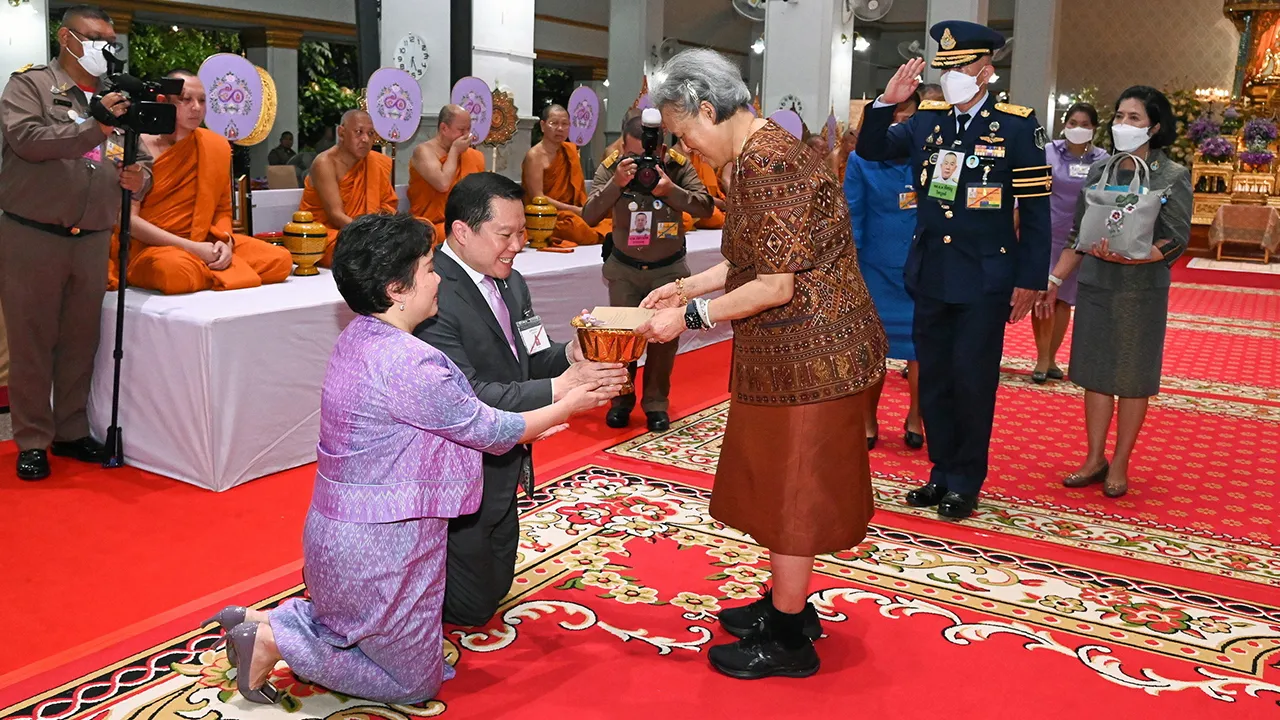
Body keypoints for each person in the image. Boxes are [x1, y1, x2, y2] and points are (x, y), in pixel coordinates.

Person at [200, 214, 616, 705]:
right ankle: (274, 639)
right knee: (415, 684)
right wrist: (570, 404)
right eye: (428, 268)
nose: (439, 277)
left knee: (386, 643)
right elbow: (490, 429)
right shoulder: (408, 362)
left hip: (345, 538)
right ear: (397, 289)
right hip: (382, 548)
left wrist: (560, 394)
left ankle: (262, 620)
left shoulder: (359, 337)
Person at [638, 48, 886, 680]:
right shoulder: (752, 157)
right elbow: (747, 263)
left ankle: (788, 639)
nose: (688, 147)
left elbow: (775, 285)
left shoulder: (771, 163)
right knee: (777, 482)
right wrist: (685, 288)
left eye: (685, 130)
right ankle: (788, 606)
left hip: (815, 353)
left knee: (794, 490)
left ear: (705, 107)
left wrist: (688, 321)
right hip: (785, 350)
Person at [855, 20, 1051, 520]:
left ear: (986, 70)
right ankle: (941, 473)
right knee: (936, 377)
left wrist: (1031, 279)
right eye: (942, 69)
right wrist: (883, 102)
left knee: (971, 378)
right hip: (931, 272)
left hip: (985, 277)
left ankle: (966, 479)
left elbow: (1035, 212)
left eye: (959, 67)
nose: (949, 78)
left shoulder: (1015, 125)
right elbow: (871, 149)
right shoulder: (928, 120)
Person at [416, 172, 629, 625]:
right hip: (458, 472)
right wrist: (567, 388)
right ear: (462, 231)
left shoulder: (511, 282)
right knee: (471, 610)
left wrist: (575, 351)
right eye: (506, 234)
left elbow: (533, 355)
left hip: (507, 461)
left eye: (523, 233)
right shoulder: (433, 293)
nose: (517, 245)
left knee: (494, 590)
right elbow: (467, 396)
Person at [0, 4, 149, 480]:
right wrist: (94, 126)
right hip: (33, 233)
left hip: (92, 237)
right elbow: (27, 139)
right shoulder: (31, 86)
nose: (103, 49)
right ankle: (32, 439)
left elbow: (140, 160)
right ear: (66, 39)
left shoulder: (116, 96)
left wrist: (137, 178)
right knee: (32, 343)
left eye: (109, 41)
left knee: (80, 342)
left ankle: (69, 431)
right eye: (93, 38)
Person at [1044, 86, 1191, 498]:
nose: (1123, 125)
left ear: (1155, 126)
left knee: (1132, 378)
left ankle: (1121, 462)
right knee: (1095, 375)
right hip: (1096, 283)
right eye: (1120, 116)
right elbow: (1078, 234)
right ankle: (1094, 457)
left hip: (1140, 290)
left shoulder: (1172, 175)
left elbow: (1177, 237)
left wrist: (1140, 256)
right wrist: (1054, 282)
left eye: (1134, 118)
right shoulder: (1101, 170)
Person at [107, 70, 292, 294]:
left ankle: (210, 269)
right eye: (186, 100)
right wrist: (193, 249)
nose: (196, 108)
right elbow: (126, 219)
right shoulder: (138, 147)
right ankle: (218, 271)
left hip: (205, 240)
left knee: (280, 260)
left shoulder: (216, 146)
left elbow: (223, 208)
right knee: (174, 272)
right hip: (154, 247)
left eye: (202, 100)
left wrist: (226, 244)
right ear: (162, 102)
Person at [583, 115, 714, 432]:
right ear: (624, 146)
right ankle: (620, 403)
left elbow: (706, 207)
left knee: (663, 341)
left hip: (667, 270)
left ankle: (656, 404)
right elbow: (589, 214)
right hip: (625, 270)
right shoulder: (614, 166)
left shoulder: (677, 165)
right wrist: (616, 183)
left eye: (648, 154)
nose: (641, 161)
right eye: (633, 154)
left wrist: (671, 190)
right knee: (622, 342)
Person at [845, 92, 925, 451]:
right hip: (874, 268)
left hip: (921, 268)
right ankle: (867, 420)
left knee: (921, 349)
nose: (898, 125)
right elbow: (854, 213)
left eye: (907, 118)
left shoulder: (931, 159)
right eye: (893, 117)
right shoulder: (861, 160)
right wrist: (852, 267)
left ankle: (915, 417)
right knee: (872, 350)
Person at [1030, 102, 1108, 383]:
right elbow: (1031, 188)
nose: (1078, 129)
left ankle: (1051, 357)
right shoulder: (1049, 152)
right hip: (1046, 232)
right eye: (1073, 123)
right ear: (1064, 124)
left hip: (1078, 238)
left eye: (1085, 125)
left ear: (1094, 129)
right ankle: (1040, 357)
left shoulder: (1102, 160)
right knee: (1042, 295)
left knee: (1063, 299)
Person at [297, 109, 398, 267]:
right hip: (327, 234)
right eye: (358, 132)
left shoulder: (376, 162)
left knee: (420, 231)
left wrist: (384, 230)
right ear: (341, 132)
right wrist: (370, 235)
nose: (365, 139)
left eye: (371, 134)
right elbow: (336, 215)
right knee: (363, 253)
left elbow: (388, 206)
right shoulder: (325, 163)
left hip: (366, 232)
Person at [521, 104, 611, 248]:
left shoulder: (570, 152)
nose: (560, 128)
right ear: (543, 126)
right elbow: (538, 198)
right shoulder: (534, 156)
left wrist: (582, 210)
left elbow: (578, 192)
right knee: (575, 227)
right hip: (546, 217)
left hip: (572, 212)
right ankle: (598, 235)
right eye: (554, 123)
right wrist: (575, 210)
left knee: (610, 218)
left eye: (565, 124)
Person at [409, 104, 485, 244]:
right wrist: (455, 151)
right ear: (444, 128)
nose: (467, 135)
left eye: (468, 129)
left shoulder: (474, 156)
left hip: (466, 222)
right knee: (455, 236)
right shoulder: (423, 151)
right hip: (431, 226)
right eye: (461, 130)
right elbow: (443, 184)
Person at [678, 136, 727, 229]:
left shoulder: (705, 156)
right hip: (694, 204)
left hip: (710, 204)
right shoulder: (677, 157)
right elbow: (690, 195)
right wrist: (723, 204)